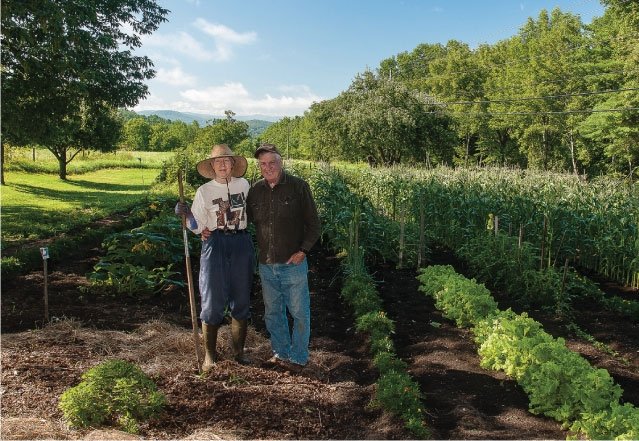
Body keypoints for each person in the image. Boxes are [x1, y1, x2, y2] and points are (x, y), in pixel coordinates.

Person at [175, 144, 254, 371]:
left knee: (241, 299)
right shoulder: (204, 191)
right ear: (211, 166)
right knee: (212, 300)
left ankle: (238, 353)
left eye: (226, 161)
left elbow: (257, 209)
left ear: (233, 165)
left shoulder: (245, 185)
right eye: (217, 162)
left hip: (241, 242)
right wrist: (185, 213)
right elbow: (195, 224)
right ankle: (210, 357)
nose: (222, 165)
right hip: (215, 244)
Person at [246, 143, 321, 371]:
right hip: (266, 265)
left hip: (292, 264)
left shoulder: (298, 187)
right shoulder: (255, 190)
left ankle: (299, 357)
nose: (267, 167)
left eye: (272, 162)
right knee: (273, 312)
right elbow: (243, 220)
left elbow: (314, 225)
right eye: (263, 164)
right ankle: (281, 353)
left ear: (281, 163)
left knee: (299, 312)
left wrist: (303, 251)